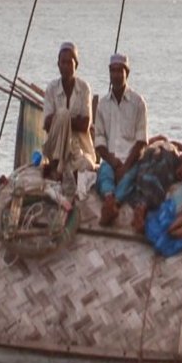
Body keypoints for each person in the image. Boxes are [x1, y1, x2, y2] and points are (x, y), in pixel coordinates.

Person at [92, 53, 149, 226]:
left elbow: (141, 141)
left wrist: (125, 166)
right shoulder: (102, 105)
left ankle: (113, 205)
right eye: (113, 71)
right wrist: (112, 161)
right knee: (104, 175)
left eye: (120, 71)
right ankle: (110, 199)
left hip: (131, 160)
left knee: (130, 179)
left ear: (127, 73)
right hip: (111, 159)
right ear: (109, 73)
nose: (116, 75)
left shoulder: (138, 103)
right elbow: (99, 140)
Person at [40, 41, 95, 179]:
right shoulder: (52, 88)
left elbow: (85, 125)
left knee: (88, 165)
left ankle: (61, 170)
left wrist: (63, 122)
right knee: (63, 114)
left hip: (78, 149)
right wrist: (64, 119)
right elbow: (46, 124)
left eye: (69, 63)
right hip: (56, 148)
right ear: (58, 64)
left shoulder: (84, 88)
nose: (66, 66)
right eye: (62, 63)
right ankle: (57, 164)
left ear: (76, 64)